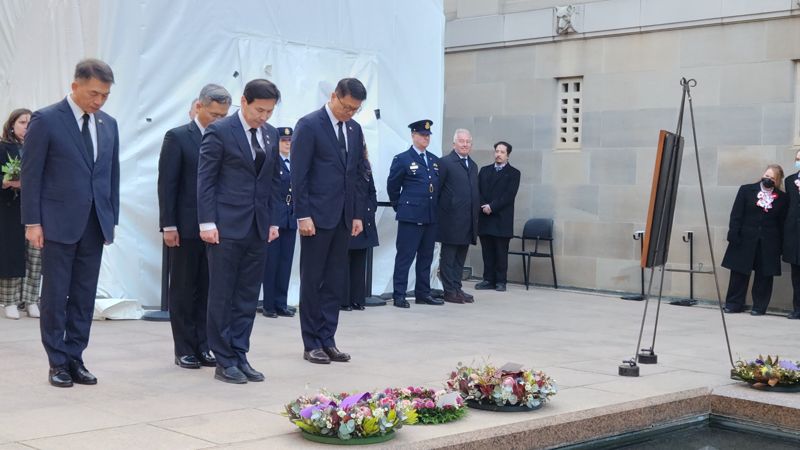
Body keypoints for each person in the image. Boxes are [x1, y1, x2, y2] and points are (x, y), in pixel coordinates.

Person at [21, 59, 120, 388]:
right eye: (94, 93)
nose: (99, 101)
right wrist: (32, 222)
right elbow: (31, 174)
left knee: (84, 295)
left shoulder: (108, 124)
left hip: (94, 224)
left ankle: (76, 356)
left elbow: (111, 176)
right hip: (57, 223)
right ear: (75, 85)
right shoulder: (47, 120)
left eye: (105, 95)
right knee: (56, 293)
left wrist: (111, 219)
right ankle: (57, 362)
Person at [197, 79, 282, 384]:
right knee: (222, 295)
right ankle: (223, 360)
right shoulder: (220, 131)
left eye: (270, 112)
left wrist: (273, 220)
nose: (264, 117)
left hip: (258, 226)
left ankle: (240, 353)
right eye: (260, 109)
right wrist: (207, 222)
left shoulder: (270, 134)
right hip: (225, 226)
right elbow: (206, 179)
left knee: (247, 296)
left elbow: (272, 181)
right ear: (244, 102)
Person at [291, 78, 367, 364]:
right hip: (316, 217)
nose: (349, 113)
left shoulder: (354, 129)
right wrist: (303, 214)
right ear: (334, 96)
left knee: (335, 280)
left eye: (355, 109)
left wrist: (357, 213)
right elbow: (300, 175)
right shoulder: (309, 125)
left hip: (344, 217)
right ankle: (311, 342)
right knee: (313, 279)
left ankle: (328, 338)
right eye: (346, 106)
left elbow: (358, 174)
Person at [158, 84, 231, 369]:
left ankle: (204, 344)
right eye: (213, 114)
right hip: (185, 227)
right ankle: (184, 347)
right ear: (199, 106)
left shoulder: (225, 137)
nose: (218, 119)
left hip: (215, 227)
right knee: (184, 289)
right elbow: (167, 184)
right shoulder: (177, 137)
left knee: (209, 289)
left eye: (223, 115)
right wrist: (168, 225)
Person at [386, 119, 443, 308]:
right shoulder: (403, 159)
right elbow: (393, 186)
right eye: (422, 135)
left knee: (426, 257)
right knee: (405, 257)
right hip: (410, 216)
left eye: (427, 135)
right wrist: (400, 206)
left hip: (430, 215)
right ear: (413, 135)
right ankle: (399, 294)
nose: (425, 138)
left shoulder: (434, 160)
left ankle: (423, 293)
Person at [722, 165, 787, 316]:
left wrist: (782, 246)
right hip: (745, 238)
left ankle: (759, 306)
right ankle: (733, 304)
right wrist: (733, 234)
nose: (768, 179)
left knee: (764, 276)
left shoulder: (783, 198)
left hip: (769, 242)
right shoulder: (746, 190)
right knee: (739, 274)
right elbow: (736, 214)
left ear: (777, 181)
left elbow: (782, 222)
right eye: (766, 175)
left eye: (772, 178)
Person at [436, 128, 479, 304]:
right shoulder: (445, 162)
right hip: (450, 220)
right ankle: (449, 290)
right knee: (449, 257)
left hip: (468, 220)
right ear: (454, 143)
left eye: (468, 141)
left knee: (461, 257)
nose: (465, 144)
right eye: (461, 141)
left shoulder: (473, 165)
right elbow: (437, 190)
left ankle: (457, 287)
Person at [475, 141, 521, 292]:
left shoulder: (514, 173)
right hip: (485, 217)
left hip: (501, 219)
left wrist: (492, 207)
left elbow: (508, 196)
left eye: (502, 152)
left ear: (508, 155)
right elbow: (478, 191)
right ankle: (488, 279)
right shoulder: (484, 170)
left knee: (501, 252)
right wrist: (484, 205)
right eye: (497, 151)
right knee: (487, 252)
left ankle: (501, 281)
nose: (498, 154)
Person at [0, 108, 33, 319]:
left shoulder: (37, 147)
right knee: (11, 253)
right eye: (22, 122)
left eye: (30, 123)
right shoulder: (3, 148)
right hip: (9, 208)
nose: (26, 127)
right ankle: (9, 300)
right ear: (12, 124)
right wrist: (6, 183)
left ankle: (30, 299)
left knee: (34, 255)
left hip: (33, 208)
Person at [262, 126, 297, 319]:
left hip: (290, 218)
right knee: (271, 263)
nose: (287, 144)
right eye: (284, 141)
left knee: (285, 262)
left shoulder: (294, 163)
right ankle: (268, 305)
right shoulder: (272, 163)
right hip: (274, 219)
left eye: (290, 140)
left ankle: (281, 303)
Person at [343, 146, 379, 311]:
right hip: (347, 219)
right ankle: (344, 300)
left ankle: (358, 299)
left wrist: (369, 210)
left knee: (359, 262)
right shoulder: (343, 163)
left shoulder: (365, 165)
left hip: (364, 219)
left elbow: (371, 192)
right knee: (344, 261)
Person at [782, 150, 800, 320]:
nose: (798, 161)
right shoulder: (790, 181)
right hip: (794, 236)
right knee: (796, 276)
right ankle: (798, 308)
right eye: (797, 159)